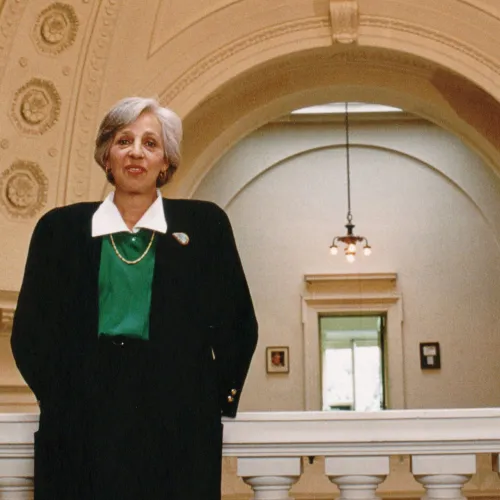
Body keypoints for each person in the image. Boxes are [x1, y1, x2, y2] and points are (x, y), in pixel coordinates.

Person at [10, 96, 258, 500]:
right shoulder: (58, 229)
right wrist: (63, 400)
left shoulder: (206, 225)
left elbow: (238, 327)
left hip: (179, 430)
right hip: (80, 428)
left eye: (150, 143)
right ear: (106, 156)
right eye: (124, 140)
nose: (136, 153)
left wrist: (201, 405)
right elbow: (30, 334)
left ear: (166, 162)